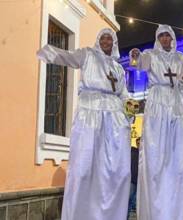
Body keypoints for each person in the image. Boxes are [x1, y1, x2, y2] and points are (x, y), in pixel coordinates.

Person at [37, 28, 131, 220]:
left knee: (116, 171)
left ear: (114, 43)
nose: (106, 42)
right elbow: (69, 57)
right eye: (103, 38)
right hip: (90, 115)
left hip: (114, 119)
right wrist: (48, 52)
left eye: (110, 39)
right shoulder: (87, 55)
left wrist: (129, 107)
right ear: (98, 40)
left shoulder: (119, 68)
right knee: (84, 168)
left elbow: (124, 94)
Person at [130, 24, 183, 220]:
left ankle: (176, 207)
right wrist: (135, 55)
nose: (165, 39)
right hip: (157, 104)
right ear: (158, 38)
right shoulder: (151, 55)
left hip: (175, 103)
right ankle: (155, 207)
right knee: (156, 154)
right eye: (162, 36)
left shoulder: (181, 58)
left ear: (172, 37)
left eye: (168, 35)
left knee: (178, 155)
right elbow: (138, 63)